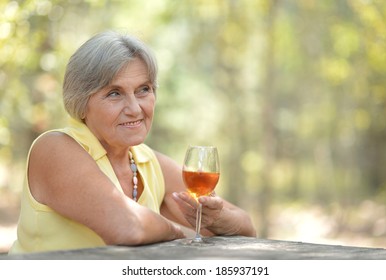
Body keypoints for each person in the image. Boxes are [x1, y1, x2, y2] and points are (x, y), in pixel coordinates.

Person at [9, 30, 256, 254]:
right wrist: (178, 231)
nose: (135, 108)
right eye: (114, 93)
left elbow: (246, 226)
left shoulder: (146, 160)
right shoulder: (54, 149)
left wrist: (217, 218)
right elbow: (127, 227)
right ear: (81, 103)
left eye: (144, 90)